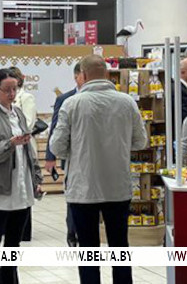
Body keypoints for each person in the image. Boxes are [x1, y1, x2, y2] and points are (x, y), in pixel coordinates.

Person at [49, 55, 147, 284]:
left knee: (88, 250)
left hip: (84, 188)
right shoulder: (127, 102)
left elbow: (57, 147)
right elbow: (140, 141)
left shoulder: (72, 104)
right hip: (118, 187)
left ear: (82, 75)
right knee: (120, 247)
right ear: (107, 74)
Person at [0, 68, 41, 284]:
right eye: (7, 90)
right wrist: (9, 145)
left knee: (13, 244)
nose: (12, 94)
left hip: (22, 186)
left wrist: (36, 177)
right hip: (0, 188)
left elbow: (29, 149)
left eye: (15, 89)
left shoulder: (18, 113)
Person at [46, 62, 84, 247]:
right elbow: (55, 128)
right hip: (70, 157)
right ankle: (72, 232)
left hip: (92, 158)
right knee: (72, 194)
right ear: (76, 76)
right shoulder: (64, 99)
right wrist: (50, 156)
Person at [8, 66, 37, 242]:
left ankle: (25, 230)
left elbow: (29, 122)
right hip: (10, 147)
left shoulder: (26, 98)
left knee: (25, 186)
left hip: (24, 146)